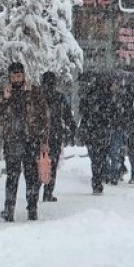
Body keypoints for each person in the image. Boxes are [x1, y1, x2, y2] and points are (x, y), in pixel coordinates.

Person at [0, 62, 50, 222]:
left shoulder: (33, 92)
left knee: (31, 175)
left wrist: (43, 140)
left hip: (31, 139)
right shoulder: (6, 93)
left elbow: (44, 117)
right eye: (13, 76)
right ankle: (9, 208)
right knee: (12, 175)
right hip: (12, 140)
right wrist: (4, 99)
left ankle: (32, 208)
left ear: (24, 75)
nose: (16, 80)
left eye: (19, 76)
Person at [78, 73, 116, 195]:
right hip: (102, 132)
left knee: (94, 158)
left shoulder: (88, 96)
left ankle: (96, 180)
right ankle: (99, 178)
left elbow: (83, 113)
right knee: (102, 156)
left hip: (91, 131)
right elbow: (111, 114)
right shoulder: (107, 97)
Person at [41, 72, 76, 202]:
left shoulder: (39, 96)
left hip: (41, 135)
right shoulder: (58, 97)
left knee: (40, 163)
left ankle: (36, 189)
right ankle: (48, 190)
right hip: (54, 133)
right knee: (53, 164)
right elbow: (67, 115)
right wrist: (72, 128)